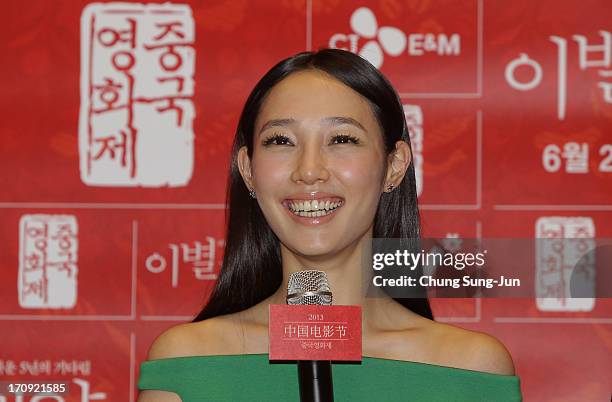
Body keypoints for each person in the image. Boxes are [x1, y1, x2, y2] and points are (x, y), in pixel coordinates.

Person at [137, 48, 522, 402]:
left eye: (341, 138)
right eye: (281, 141)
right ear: (248, 171)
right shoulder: (187, 364)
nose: (309, 171)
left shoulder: (469, 368)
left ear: (394, 165)